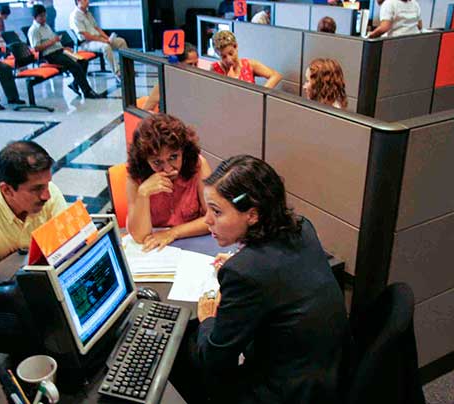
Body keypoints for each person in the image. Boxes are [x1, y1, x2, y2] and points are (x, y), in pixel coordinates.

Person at [192, 155, 349, 403]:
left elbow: (215, 358)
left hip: (285, 393)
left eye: (217, 211)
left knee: (191, 351)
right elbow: (278, 269)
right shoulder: (302, 228)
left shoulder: (244, 272)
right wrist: (244, 258)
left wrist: (208, 319)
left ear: (252, 215)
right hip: (328, 374)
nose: (208, 220)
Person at [0, 141, 67, 286]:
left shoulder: (49, 192)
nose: (46, 195)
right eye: (36, 189)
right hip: (7, 293)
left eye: (47, 184)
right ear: (7, 190)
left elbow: (70, 250)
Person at [126, 114, 212, 252]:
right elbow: (139, 236)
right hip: (156, 247)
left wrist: (172, 233)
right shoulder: (136, 177)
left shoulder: (198, 165)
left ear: (183, 151)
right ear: (145, 160)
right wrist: (143, 193)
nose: (167, 169)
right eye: (157, 162)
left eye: (173, 157)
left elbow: (214, 218)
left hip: (193, 240)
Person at [28, 4, 104, 99]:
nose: (44, 18)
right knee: (75, 66)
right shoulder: (34, 30)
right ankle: (87, 91)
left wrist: (63, 48)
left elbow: (55, 41)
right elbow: (36, 48)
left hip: (59, 51)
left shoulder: (46, 26)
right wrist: (52, 42)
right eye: (41, 16)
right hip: (50, 56)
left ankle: (75, 84)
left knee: (83, 61)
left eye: (44, 15)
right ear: (35, 17)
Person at [70, 0, 128, 80]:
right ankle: (118, 73)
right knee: (106, 46)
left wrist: (107, 38)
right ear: (78, 1)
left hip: (98, 39)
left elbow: (97, 28)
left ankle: (127, 68)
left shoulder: (88, 13)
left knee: (121, 42)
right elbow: (86, 36)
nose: (88, 1)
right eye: (85, 0)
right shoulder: (75, 16)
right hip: (87, 43)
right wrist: (102, 40)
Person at [139, 43, 199, 112]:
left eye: (196, 64)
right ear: (179, 64)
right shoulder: (165, 83)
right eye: (190, 64)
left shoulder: (200, 81)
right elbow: (146, 110)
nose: (194, 68)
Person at [211, 30, 282, 88]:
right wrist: (230, 82)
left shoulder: (249, 65)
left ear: (236, 46)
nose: (229, 60)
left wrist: (261, 94)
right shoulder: (215, 69)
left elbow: (276, 76)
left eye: (231, 53)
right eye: (223, 57)